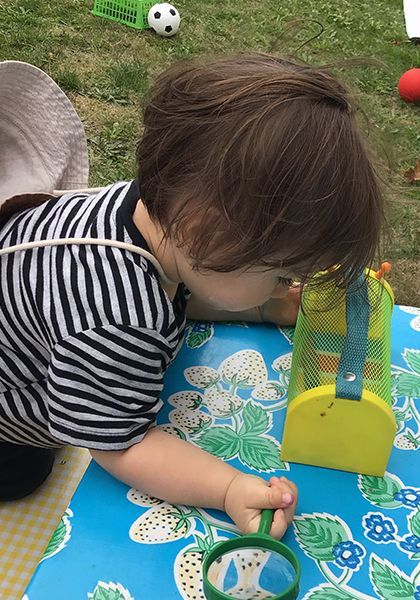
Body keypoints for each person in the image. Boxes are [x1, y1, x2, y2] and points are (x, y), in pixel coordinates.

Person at [0, 53, 384, 539]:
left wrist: (263, 305)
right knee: (25, 473)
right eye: (278, 272)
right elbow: (119, 443)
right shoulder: (120, 321)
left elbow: (186, 282)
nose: (284, 284)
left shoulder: (142, 209)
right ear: (204, 231)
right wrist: (226, 489)